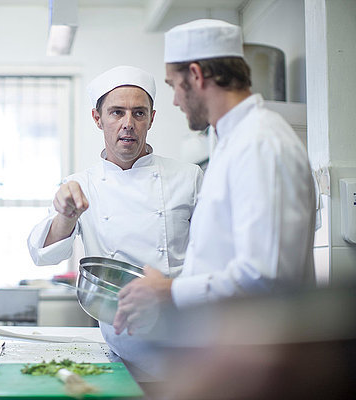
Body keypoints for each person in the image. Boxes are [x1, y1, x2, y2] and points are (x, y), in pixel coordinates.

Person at [113, 19, 317, 335]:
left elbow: (267, 275)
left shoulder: (262, 142)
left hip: (265, 358)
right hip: (232, 350)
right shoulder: (232, 143)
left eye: (173, 86)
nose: (176, 101)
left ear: (195, 75)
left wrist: (167, 291)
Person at [27, 65, 204, 380]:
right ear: (98, 119)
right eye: (116, 113)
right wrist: (66, 215)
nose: (128, 125)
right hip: (118, 342)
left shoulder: (188, 177)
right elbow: (44, 255)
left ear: (152, 118)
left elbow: (213, 257)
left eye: (138, 113)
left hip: (182, 340)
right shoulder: (80, 183)